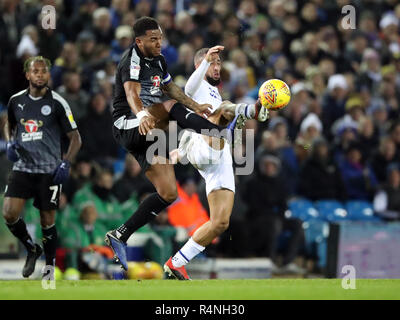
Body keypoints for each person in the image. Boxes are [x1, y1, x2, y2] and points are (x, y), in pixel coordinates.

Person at [105, 17, 239, 271]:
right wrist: (142, 115)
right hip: (129, 124)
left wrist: (196, 105)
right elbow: (133, 93)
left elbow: (172, 89)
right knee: (169, 108)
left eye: (160, 38)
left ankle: (119, 235)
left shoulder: (159, 60)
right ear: (139, 41)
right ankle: (217, 131)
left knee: (169, 193)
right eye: (153, 39)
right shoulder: (131, 60)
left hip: (148, 134)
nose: (159, 43)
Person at [163, 46, 268, 279]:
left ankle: (176, 262)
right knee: (223, 109)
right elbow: (187, 89)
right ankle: (250, 109)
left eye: (219, 63)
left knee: (220, 222)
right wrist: (204, 64)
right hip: (200, 145)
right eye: (213, 63)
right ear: (199, 66)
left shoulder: (214, 93)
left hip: (219, 156)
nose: (217, 67)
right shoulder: (196, 86)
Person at [1, 56, 82, 278]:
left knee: (47, 220)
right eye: (35, 71)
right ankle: (31, 248)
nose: (40, 75)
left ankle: (49, 267)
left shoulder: (57, 103)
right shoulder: (16, 101)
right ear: (27, 75)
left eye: (44, 71)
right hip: (23, 168)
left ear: (48, 75)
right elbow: (9, 122)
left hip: (49, 171)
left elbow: (75, 138)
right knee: (9, 214)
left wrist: (66, 162)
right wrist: (9, 141)